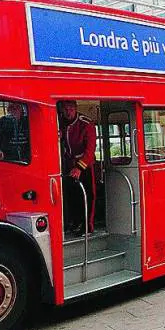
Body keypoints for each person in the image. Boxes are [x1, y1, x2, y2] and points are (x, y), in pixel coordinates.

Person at [59, 100, 97, 235]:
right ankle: (75, 222)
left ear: (75, 109)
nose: (68, 112)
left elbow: (90, 150)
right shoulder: (60, 122)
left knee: (88, 195)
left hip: (86, 165)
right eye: (65, 109)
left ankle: (88, 225)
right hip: (69, 163)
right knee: (72, 194)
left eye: (70, 109)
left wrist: (79, 168)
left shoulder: (86, 124)